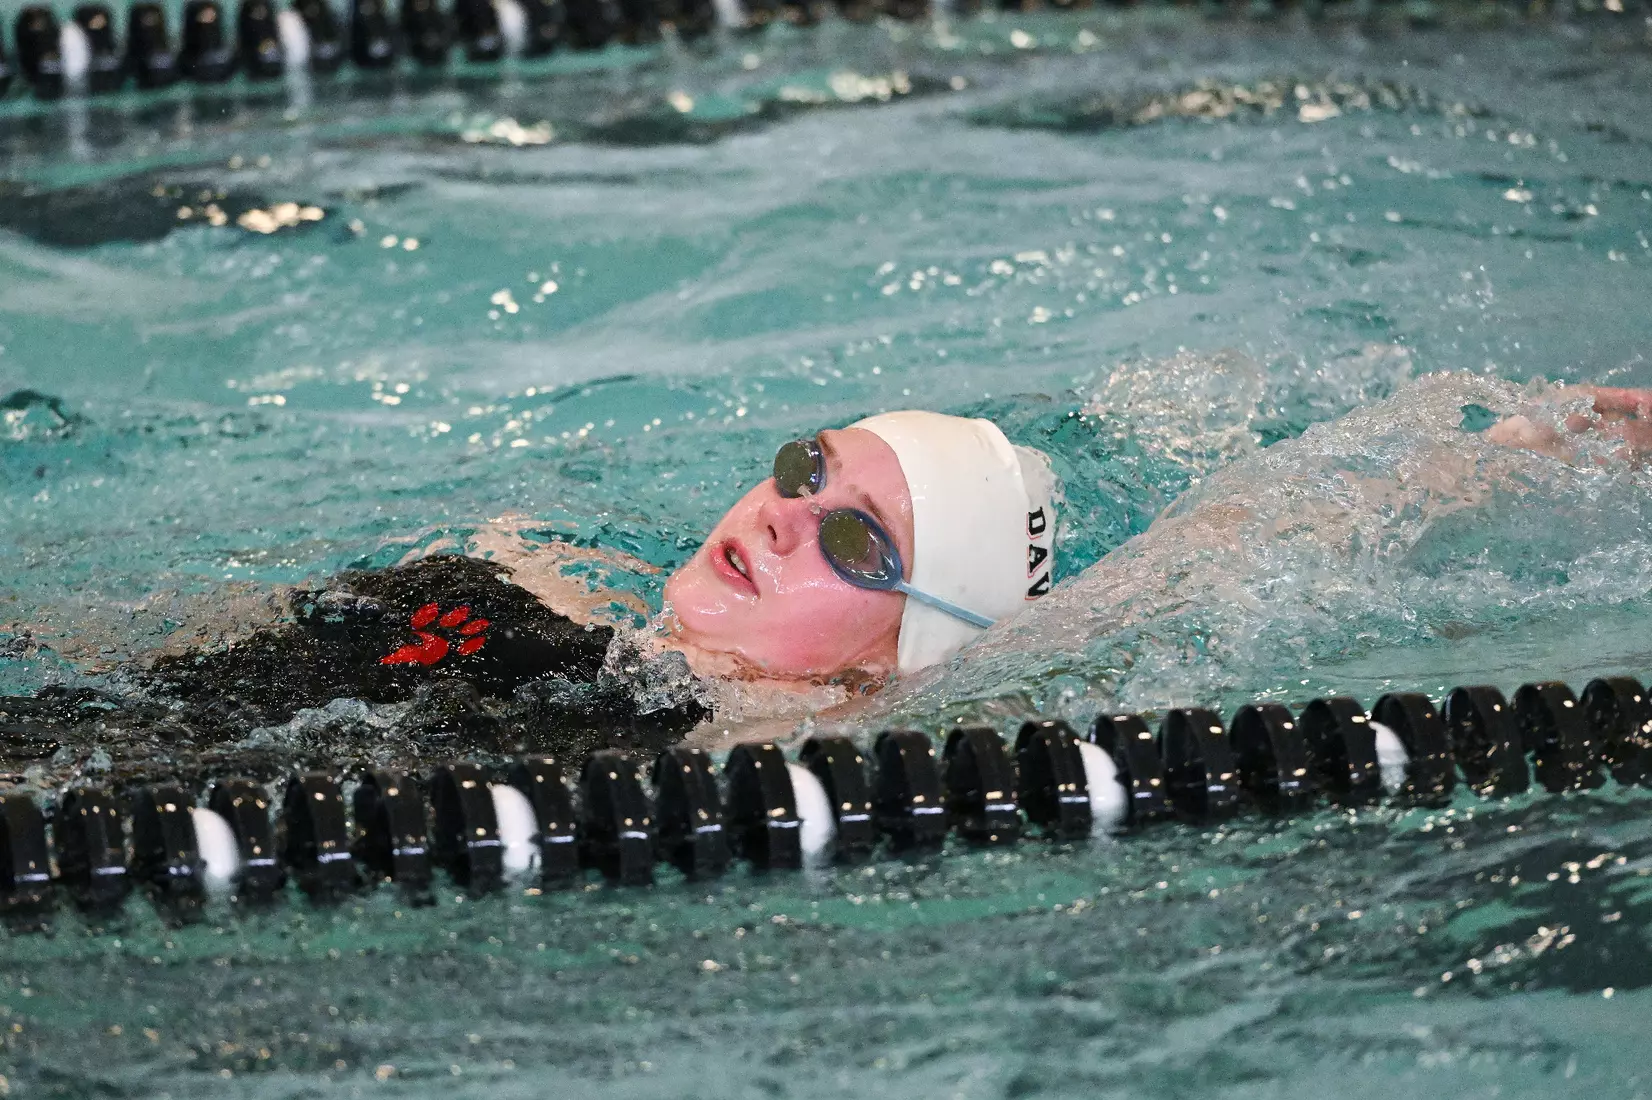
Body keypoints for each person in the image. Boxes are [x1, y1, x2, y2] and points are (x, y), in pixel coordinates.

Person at [0, 383, 1645, 785]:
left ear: (898, 653)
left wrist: (1518, 445)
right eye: (809, 471)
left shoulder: (738, 758)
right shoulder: (501, 577)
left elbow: (1242, 554)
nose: (788, 518)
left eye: (860, 541)